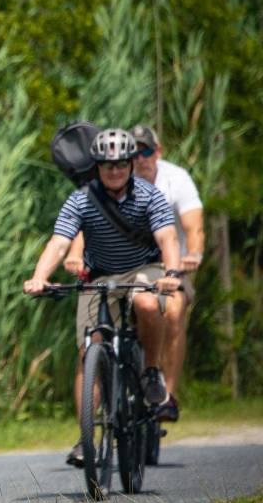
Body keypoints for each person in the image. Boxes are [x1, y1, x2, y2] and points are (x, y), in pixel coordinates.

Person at [23, 128, 182, 466]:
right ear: (96, 166)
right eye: (107, 165)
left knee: (146, 303)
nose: (115, 170)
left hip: (145, 268)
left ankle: (151, 372)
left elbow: (168, 238)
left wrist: (171, 275)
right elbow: (60, 241)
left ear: (129, 164)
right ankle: (86, 439)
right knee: (89, 349)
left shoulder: (150, 196)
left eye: (122, 164)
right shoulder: (82, 199)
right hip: (102, 276)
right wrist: (40, 277)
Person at [64, 125, 202, 422]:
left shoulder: (174, 181)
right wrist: (75, 257)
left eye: (146, 152)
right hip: (110, 270)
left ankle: (164, 393)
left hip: (166, 265)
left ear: (158, 152)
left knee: (172, 309)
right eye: (135, 154)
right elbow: (87, 224)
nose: (140, 159)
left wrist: (192, 256)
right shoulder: (105, 185)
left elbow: (192, 229)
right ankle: (89, 425)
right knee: (92, 341)